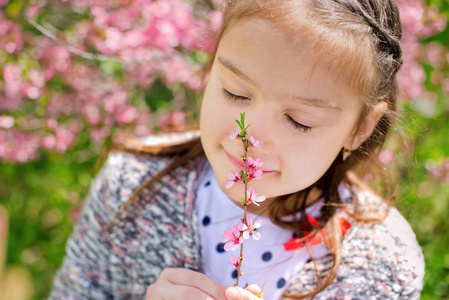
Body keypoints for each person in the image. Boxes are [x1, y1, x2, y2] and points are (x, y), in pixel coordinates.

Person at [48, 0, 425, 299]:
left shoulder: (383, 261)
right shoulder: (130, 184)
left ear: (360, 129)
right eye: (235, 92)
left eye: (299, 121)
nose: (249, 138)